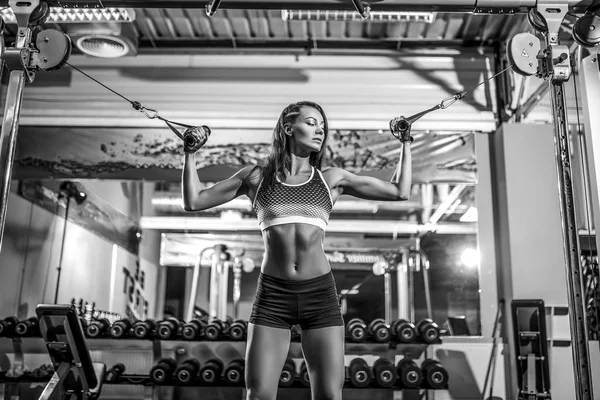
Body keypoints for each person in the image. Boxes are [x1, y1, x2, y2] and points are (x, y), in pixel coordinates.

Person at [181, 101, 412, 400]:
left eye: (322, 126)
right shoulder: (256, 177)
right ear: (288, 128)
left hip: (320, 296)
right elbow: (194, 201)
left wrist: (405, 142)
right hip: (273, 297)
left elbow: (399, 191)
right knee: (258, 395)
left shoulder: (330, 179)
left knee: (329, 395)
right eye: (312, 123)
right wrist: (190, 153)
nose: (320, 130)